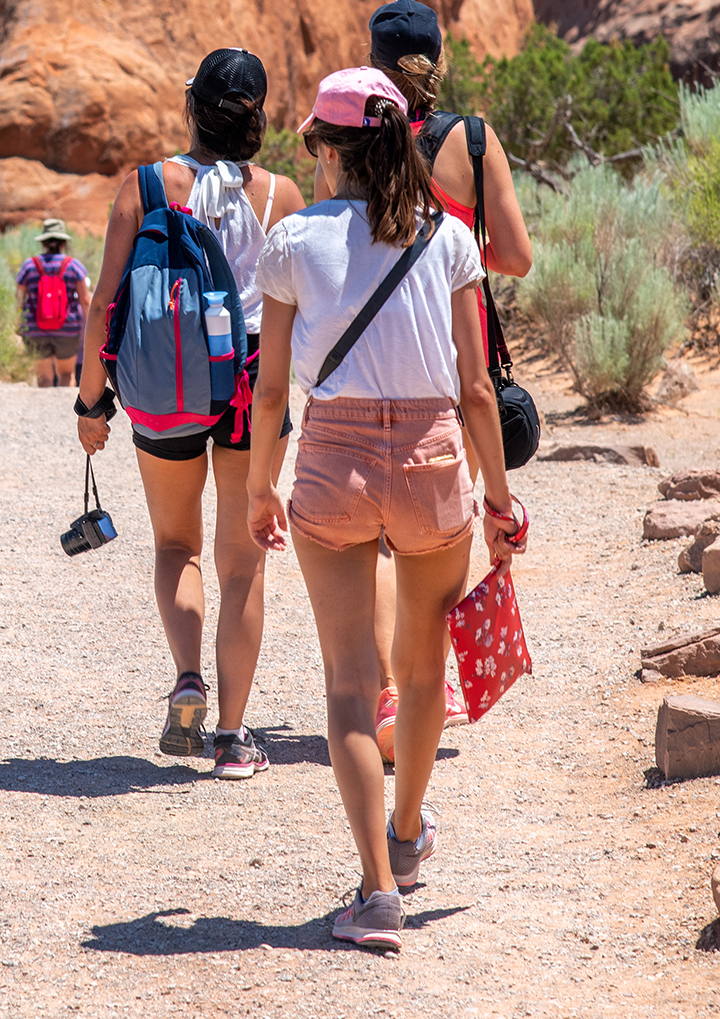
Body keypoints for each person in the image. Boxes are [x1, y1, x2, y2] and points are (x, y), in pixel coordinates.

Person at [247, 67, 527, 951]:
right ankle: (407, 837)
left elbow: (270, 392)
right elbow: (476, 388)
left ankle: (375, 894)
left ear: (330, 151)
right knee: (424, 663)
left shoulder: (293, 241)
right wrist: (499, 500)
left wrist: (259, 486)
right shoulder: (450, 237)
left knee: (349, 683)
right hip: (433, 462)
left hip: (333, 464)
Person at [75, 48, 305, 780]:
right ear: (256, 118)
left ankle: (186, 680)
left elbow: (102, 306)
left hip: (166, 381)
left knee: (178, 545)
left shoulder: (146, 186)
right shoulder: (282, 196)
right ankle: (232, 738)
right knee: (243, 561)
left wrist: (91, 402)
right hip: (250, 389)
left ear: (192, 107)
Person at [365, 0, 535, 764]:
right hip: (458, 348)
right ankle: (430, 685)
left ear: (373, 63)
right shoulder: (472, 139)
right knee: (441, 525)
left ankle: (389, 693)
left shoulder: (361, 136)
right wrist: (458, 247)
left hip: (375, 351)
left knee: (377, 539)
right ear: (440, 59)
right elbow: (517, 255)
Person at [17, 219, 89, 387]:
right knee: (66, 374)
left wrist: (17, 324)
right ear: (63, 243)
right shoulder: (73, 265)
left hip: (35, 329)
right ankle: (64, 405)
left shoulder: (29, 265)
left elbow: (18, 299)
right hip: (67, 328)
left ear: (43, 243)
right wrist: (92, 327)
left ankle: (44, 404)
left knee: (44, 378)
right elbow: (85, 300)